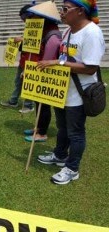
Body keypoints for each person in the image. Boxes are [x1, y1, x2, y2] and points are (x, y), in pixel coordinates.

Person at [37, 0, 105, 185]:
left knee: (75, 133)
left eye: (65, 9)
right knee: (62, 128)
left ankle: (72, 168)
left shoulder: (92, 33)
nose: (61, 12)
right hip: (62, 91)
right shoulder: (68, 31)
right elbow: (63, 56)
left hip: (79, 94)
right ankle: (59, 155)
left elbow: (90, 68)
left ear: (81, 11)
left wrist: (58, 63)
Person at [23, 1, 62, 143]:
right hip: (39, 72)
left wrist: (34, 73)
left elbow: (47, 59)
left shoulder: (52, 36)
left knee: (43, 104)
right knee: (38, 103)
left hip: (46, 76)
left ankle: (42, 132)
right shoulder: (45, 33)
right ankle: (38, 128)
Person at [0, 4, 36, 113]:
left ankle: (29, 105)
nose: (23, 21)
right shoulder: (29, 26)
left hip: (32, 60)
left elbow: (35, 44)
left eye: (24, 18)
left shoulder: (38, 26)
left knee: (29, 82)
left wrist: (22, 39)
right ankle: (13, 101)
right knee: (18, 81)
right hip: (24, 59)